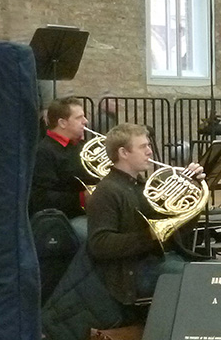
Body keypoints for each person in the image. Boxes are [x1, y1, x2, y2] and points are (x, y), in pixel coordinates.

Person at [86, 123, 204, 306]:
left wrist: (194, 189)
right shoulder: (106, 191)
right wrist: (148, 237)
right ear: (123, 153)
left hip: (161, 260)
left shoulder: (143, 187)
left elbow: (181, 229)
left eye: (148, 145)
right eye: (143, 147)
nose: (150, 151)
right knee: (204, 279)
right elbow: (99, 245)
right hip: (133, 273)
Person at [28, 96, 96, 220]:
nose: (85, 121)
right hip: (67, 218)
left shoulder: (83, 147)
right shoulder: (44, 152)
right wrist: (81, 198)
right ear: (62, 123)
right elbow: (42, 198)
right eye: (79, 118)